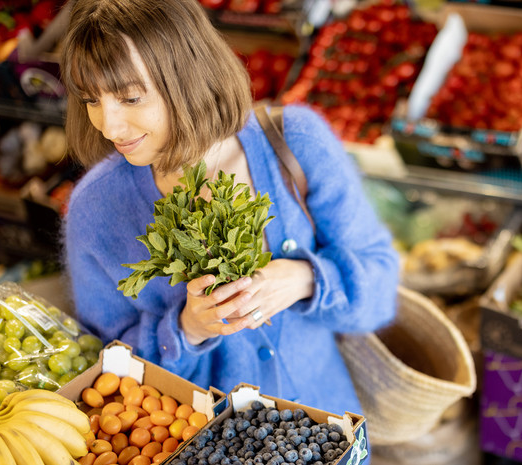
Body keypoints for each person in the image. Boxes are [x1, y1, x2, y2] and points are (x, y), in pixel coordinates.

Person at [58, 0, 400, 421]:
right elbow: (103, 372)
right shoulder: (96, 209)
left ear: (188, 75)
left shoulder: (295, 142)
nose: (109, 126)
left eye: (130, 97)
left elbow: (381, 289)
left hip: (331, 432)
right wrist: (186, 329)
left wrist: (304, 278)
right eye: (92, 100)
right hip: (204, 443)